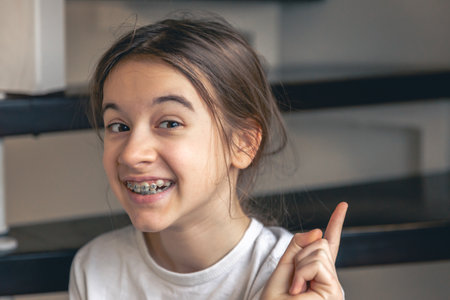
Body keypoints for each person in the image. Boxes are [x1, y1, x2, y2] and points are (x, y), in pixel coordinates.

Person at [69, 16, 348, 300]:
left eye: (169, 123)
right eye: (119, 126)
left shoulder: (293, 279)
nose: (131, 154)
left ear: (243, 143)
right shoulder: (95, 268)